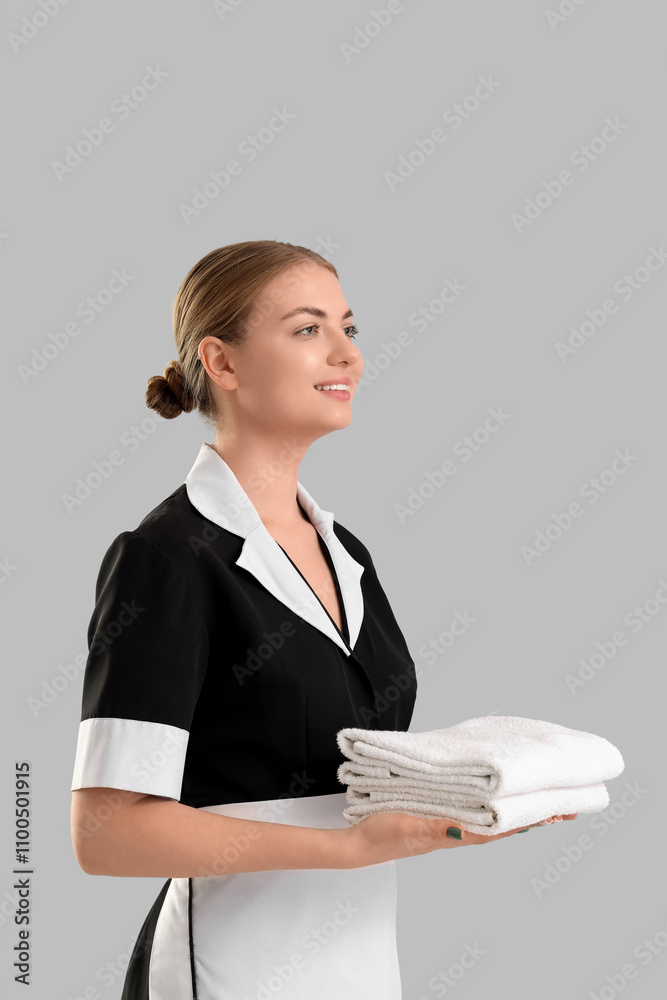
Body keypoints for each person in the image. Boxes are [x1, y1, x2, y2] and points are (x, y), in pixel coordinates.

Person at [70, 240, 575, 999]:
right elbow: (107, 834)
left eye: (349, 327)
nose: (347, 355)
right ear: (224, 362)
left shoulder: (347, 553)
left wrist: (468, 799)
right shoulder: (168, 557)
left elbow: (352, 776)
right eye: (308, 330)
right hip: (227, 969)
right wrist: (351, 847)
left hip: (360, 962)